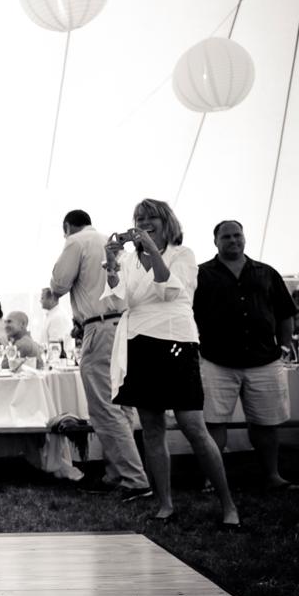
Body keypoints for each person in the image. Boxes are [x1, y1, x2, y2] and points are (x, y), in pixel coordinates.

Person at [103, 199, 240, 529]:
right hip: (139, 341)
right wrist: (111, 264)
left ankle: (228, 504)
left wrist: (150, 249)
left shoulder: (183, 254)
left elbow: (168, 292)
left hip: (175, 340)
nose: (143, 221)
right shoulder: (130, 260)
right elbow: (119, 300)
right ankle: (164, 503)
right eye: (138, 218)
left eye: (150, 217)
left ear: (166, 222)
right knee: (151, 427)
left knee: (193, 425)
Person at [47, 209, 149, 497]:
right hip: (125, 326)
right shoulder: (111, 242)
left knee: (106, 408)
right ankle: (117, 473)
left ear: (67, 226)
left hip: (101, 328)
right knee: (122, 405)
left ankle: (134, 478)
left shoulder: (75, 241)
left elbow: (58, 285)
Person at [192, 221, 299, 490]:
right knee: (214, 422)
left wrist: (285, 347)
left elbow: (286, 313)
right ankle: (212, 480)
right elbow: (187, 315)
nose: (233, 240)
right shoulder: (200, 275)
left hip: (264, 358)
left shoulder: (266, 273)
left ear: (244, 238)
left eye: (237, 235)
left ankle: (272, 476)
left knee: (266, 422)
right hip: (216, 359)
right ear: (215, 241)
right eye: (226, 236)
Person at [38, 288, 74, 360]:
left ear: (52, 299)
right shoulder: (52, 315)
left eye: (42, 298)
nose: (40, 301)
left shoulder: (58, 317)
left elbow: (55, 348)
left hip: (57, 363)